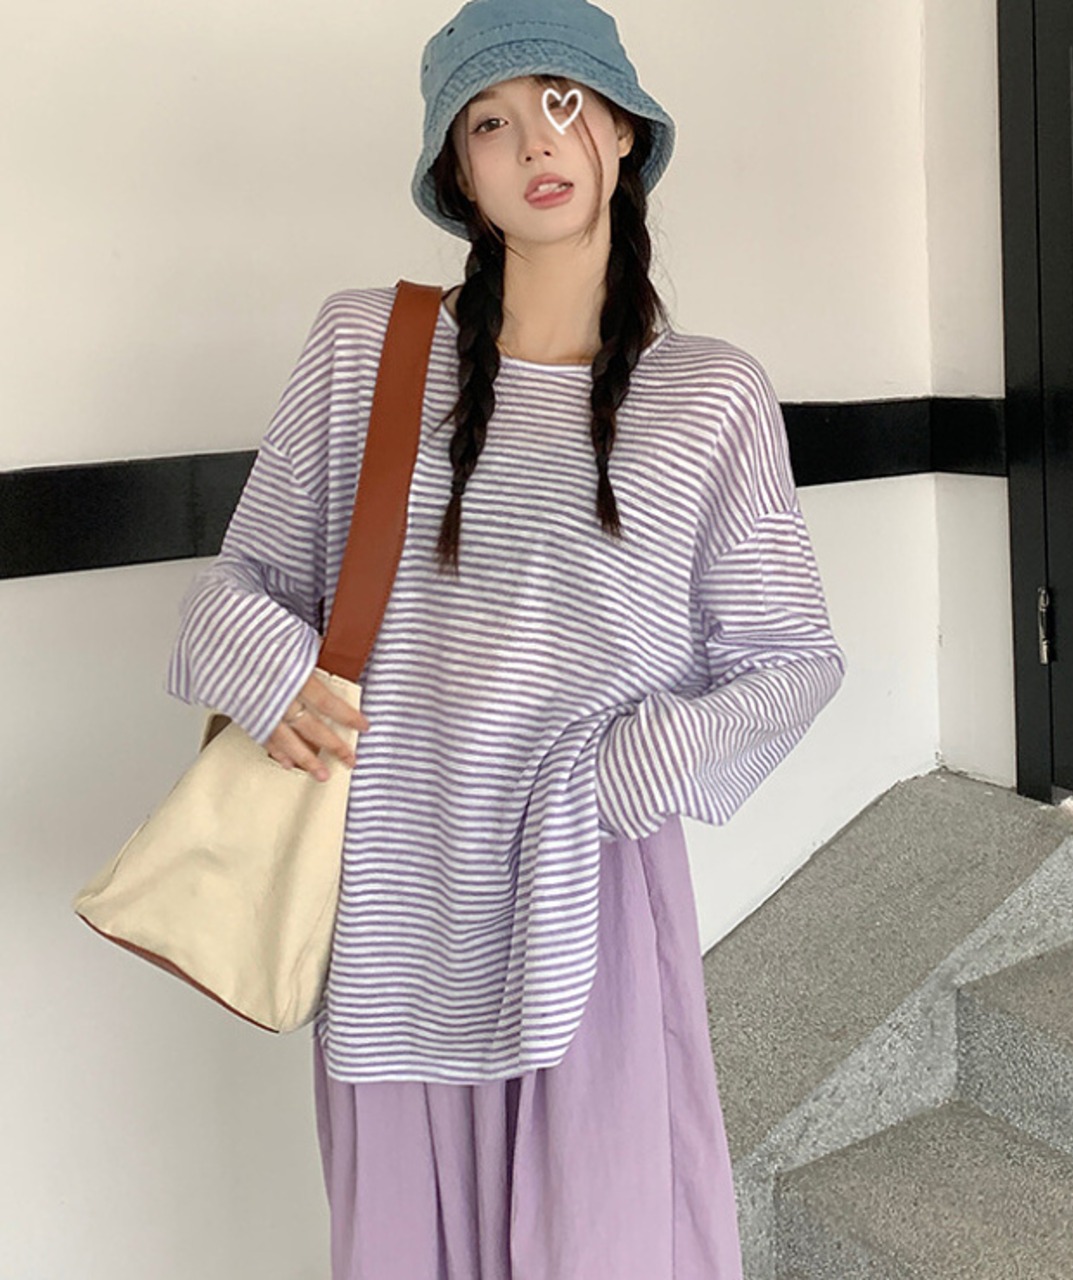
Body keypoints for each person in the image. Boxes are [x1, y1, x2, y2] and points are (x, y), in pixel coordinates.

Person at [165, 0, 846, 1275]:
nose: (534, 139)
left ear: (624, 131)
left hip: (588, 903)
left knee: (604, 1244)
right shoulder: (366, 347)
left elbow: (792, 658)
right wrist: (279, 678)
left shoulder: (710, 394)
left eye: (561, 101)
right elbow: (235, 591)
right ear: (456, 175)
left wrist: (632, 763)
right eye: (487, 121)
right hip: (390, 907)